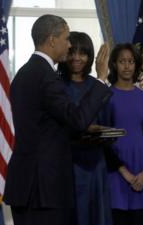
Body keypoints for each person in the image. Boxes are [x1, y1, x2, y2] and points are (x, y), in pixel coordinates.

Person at [3, 15, 112, 225]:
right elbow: (77, 119)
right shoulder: (47, 77)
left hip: (27, 184)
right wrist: (100, 78)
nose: (69, 44)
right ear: (52, 40)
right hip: (44, 189)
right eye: (66, 38)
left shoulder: (24, 73)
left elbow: (42, 125)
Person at [101, 43, 143, 225]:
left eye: (131, 61)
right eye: (122, 61)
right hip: (116, 169)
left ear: (136, 65)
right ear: (114, 65)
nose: (127, 66)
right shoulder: (106, 95)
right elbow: (103, 139)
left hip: (142, 167)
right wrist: (123, 171)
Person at [57, 31, 112, 225]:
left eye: (83, 53)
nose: (76, 58)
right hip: (69, 162)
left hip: (95, 162)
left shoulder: (97, 85)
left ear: (90, 57)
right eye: (72, 52)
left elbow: (107, 120)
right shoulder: (57, 85)